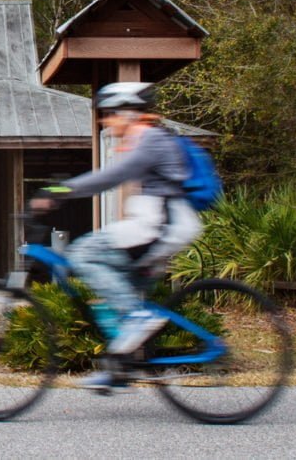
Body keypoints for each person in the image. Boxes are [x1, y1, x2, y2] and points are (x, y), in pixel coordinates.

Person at [29, 81, 202, 390]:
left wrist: (57, 190)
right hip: (159, 226)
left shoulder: (150, 139)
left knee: (83, 253)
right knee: (111, 295)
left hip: (159, 225)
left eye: (111, 114)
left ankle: (137, 319)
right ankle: (119, 366)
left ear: (128, 111)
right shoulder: (146, 139)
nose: (106, 121)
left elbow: (109, 177)